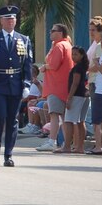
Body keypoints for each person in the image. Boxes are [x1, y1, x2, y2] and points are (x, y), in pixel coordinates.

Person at [0, 5, 33, 167]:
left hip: (16, 85)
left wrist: (26, 84)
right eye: (8, 18)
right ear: (1, 20)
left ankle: (8, 154)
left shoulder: (23, 39)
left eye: (13, 18)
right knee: (0, 117)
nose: (11, 21)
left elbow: (28, 64)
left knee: (12, 120)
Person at [37, 24, 73, 152]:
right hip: (64, 86)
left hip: (56, 86)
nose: (50, 33)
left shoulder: (59, 46)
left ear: (61, 33)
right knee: (64, 117)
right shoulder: (67, 45)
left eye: (53, 31)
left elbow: (54, 64)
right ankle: (66, 144)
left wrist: (45, 67)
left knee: (54, 115)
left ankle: (52, 141)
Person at [58, 46, 90, 154]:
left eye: (76, 54)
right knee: (81, 121)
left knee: (68, 121)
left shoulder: (77, 68)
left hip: (76, 96)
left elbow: (75, 83)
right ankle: (80, 147)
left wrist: (69, 97)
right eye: (72, 54)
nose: (73, 56)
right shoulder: (83, 67)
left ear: (81, 55)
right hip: (84, 95)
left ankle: (67, 146)